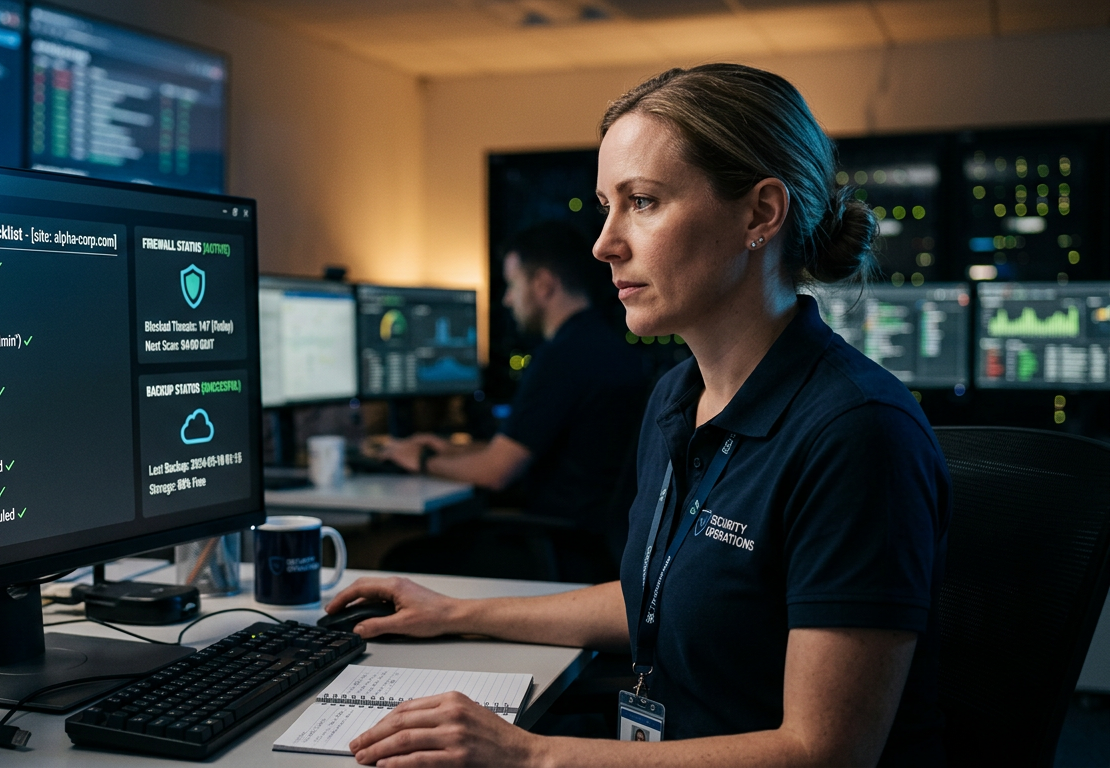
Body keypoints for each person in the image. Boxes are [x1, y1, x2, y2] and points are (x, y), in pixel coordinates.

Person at [325, 63, 948, 767]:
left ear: (760, 214)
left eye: (643, 201)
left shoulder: (857, 432)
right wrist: (454, 613)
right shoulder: (678, 398)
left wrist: (531, 756)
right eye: (605, 205)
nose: (605, 243)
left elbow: (824, 752)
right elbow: (656, 596)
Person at [372, 221, 651, 536]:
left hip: (562, 541)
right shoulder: (607, 346)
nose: (507, 300)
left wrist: (421, 460)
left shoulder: (561, 358)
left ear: (543, 284)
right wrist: (450, 450)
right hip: (598, 537)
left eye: (513, 284)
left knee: (402, 555)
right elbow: (525, 450)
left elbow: (496, 472)